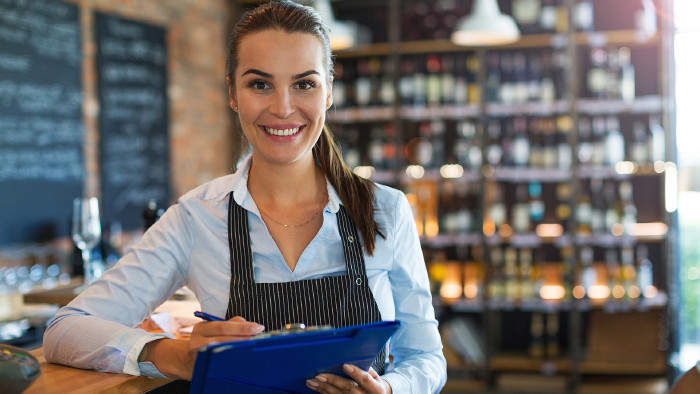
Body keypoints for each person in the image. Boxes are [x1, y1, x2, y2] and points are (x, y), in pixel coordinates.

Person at [43, 1, 447, 393]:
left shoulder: (385, 210)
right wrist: (174, 354)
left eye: (304, 84)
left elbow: (426, 357)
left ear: (328, 93)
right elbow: (66, 329)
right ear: (233, 94)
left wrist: (391, 389)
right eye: (260, 84)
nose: (283, 108)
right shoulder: (197, 217)